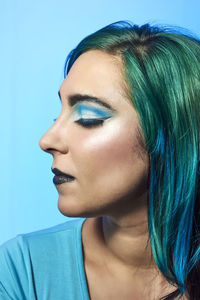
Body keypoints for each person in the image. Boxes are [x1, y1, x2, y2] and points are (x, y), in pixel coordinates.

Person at [0, 20, 199, 300]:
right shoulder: (21, 272)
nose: (47, 141)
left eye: (87, 119)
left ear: (172, 134)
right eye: (58, 114)